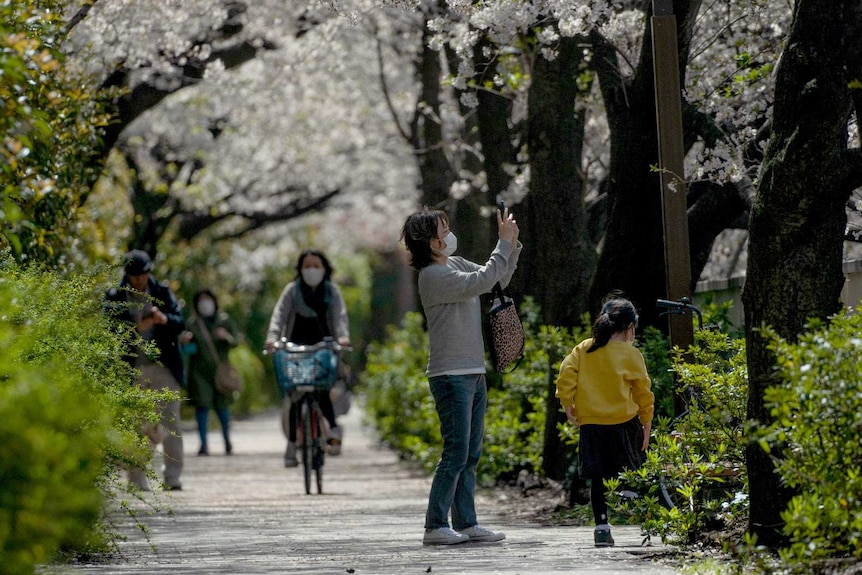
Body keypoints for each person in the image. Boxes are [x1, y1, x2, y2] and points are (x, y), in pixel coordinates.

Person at [401, 205, 521, 546]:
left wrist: (511, 244)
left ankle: (466, 522)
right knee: (455, 452)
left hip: (472, 370)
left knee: (470, 454)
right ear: (432, 242)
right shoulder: (432, 276)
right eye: (443, 229)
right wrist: (503, 244)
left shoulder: (453, 264)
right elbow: (480, 280)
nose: (449, 234)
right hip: (450, 375)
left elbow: (496, 279)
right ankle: (435, 525)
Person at [554, 296, 654, 547]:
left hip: (592, 424)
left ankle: (601, 526)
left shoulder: (584, 348)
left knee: (598, 477)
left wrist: (567, 403)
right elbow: (643, 390)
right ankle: (630, 497)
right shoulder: (631, 354)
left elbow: (566, 374)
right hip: (625, 421)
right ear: (631, 327)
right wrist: (647, 420)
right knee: (633, 463)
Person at [104, 249, 186, 491]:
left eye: (144, 274)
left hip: (164, 368)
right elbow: (110, 330)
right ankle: (137, 480)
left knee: (171, 422)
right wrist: (136, 328)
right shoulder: (115, 296)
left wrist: (164, 320)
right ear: (127, 275)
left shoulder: (161, 291)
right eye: (136, 276)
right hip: (132, 370)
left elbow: (180, 322)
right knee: (137, 426)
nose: (141, 280)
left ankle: (173, 477)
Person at [265, 249, 351, 467]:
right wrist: (273, 338)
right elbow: (279, 316)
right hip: (295, 348)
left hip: (324, 347)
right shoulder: (292, 291)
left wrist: (342, 338)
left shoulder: (331, 291)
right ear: (300, 269)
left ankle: (331, 429)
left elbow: (340, 317)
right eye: (307, 266)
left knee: (322, 390)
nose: (311, 270)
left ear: (324, 268)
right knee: (296, 394)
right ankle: (292, 443)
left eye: (316, 265)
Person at [182, 289, 239, 456]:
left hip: (220, 371)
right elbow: (188, 350)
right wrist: (185, 342)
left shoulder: (224, 320)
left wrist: (225, 337)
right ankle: (203, 444)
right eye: (201, 300)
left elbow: (235, 342)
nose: (205, 304)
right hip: (199, 372)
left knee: (222, 408)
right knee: (202, 407)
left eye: (208, 299)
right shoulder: (192, 323)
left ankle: (227, 441)